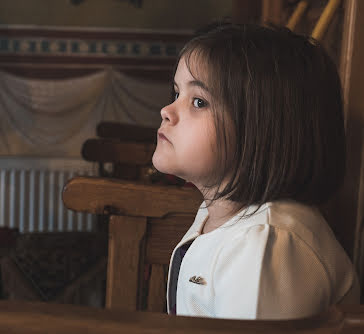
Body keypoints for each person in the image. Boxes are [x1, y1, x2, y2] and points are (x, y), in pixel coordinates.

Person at [152, 22, 360, 320]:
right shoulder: (221, 211)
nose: (167, 111)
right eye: (176, 94)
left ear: (263, 132)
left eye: (198, 101)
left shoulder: (265, 245)